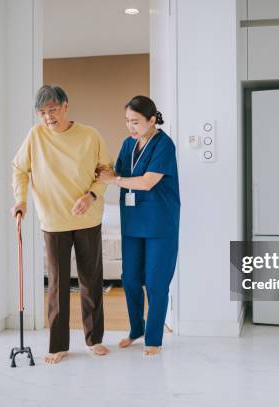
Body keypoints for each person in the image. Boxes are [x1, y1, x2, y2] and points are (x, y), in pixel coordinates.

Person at [11, 85, 112, 364]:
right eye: (42, 112)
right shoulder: (35, 136)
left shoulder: (90, 135)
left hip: (87, 217)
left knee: (90, 280)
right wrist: (21, 200)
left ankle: (94, 339)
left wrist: (91, 196)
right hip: (53, 220)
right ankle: (58, 345)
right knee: (56, 285)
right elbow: (19, 169)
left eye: (52, 110)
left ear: (66, 106)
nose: (47, 117)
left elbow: (106, 172)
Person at [99, 95, 180, 356]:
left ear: (152, 120)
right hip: (133, 222)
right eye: (127, 121)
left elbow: (146, 182)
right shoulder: (128, 144)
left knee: (156, 282)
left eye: (135, 122)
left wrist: (115, 180)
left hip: (160, 223)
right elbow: (115, 171)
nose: (130, 127)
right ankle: (137, 329)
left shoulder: (164, 145)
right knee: (131, 279)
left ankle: (154, 339)